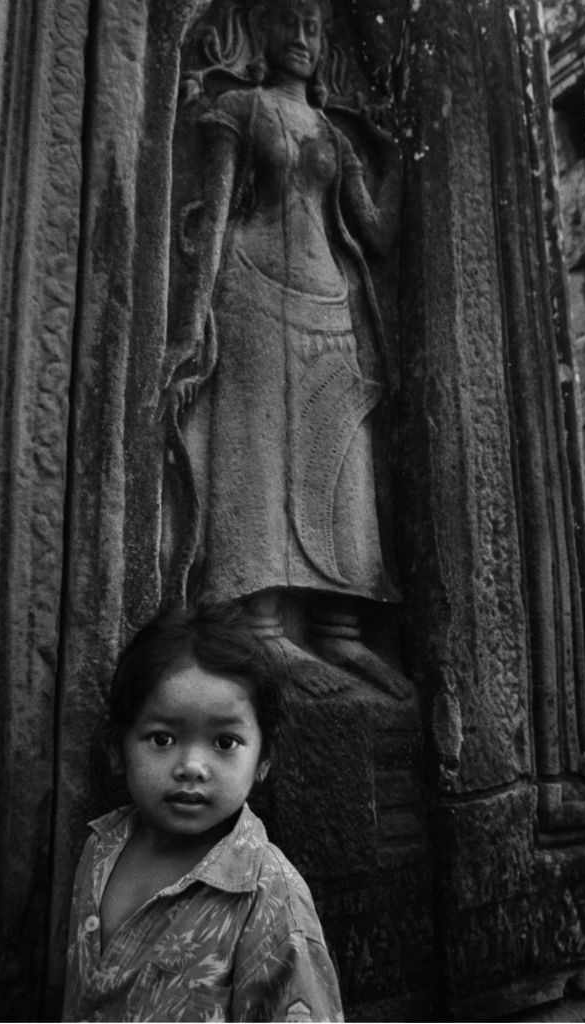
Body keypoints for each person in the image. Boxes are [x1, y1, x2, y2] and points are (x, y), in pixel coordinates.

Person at [162, 0, 408, 697]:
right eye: (287, 25)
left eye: (313, 28)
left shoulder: (333, 133)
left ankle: (339, 632)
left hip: (333, 309)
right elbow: (214, 216)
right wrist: (190, 324)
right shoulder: (239, 108)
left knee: (343, 469)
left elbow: (378, 233)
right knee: (258, 465)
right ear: (259, 33)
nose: (301, 38)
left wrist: (396, 154)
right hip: (250, 296)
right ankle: (265, 631)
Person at [62, 604, 344, 1022]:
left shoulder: (268, 898)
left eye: (225, 742)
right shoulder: (99, 849)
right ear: (117, 749)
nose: (192, 766)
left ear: (264, 759)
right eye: (162, 738)